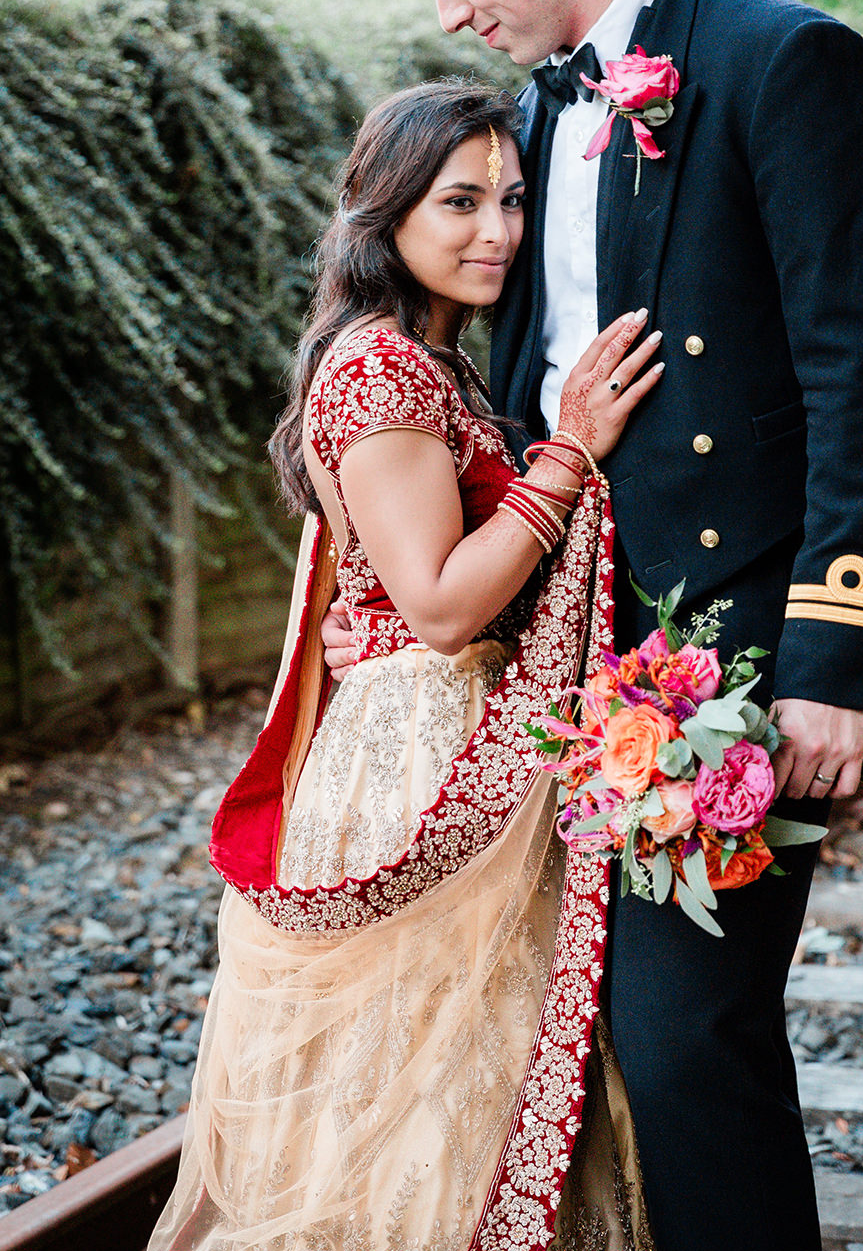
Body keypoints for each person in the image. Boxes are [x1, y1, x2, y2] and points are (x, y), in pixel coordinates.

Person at [322, 0, 863, 1251]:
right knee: (587, 1035)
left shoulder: (788, 65)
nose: (452, 10)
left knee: (684, 1034)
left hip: (726, 660)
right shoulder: (544, 109)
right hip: (564, 656)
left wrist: (836, 657)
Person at [147, 80, 665, 1251]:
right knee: (425, 1097)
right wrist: (572, 453)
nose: (498, 230)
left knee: (473, 1078)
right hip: (416, 759)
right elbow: (435, 606)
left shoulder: (433, 365)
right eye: (461, 202)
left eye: (515, 201)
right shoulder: (380, 371)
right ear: (387, 215)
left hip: (450, 733)